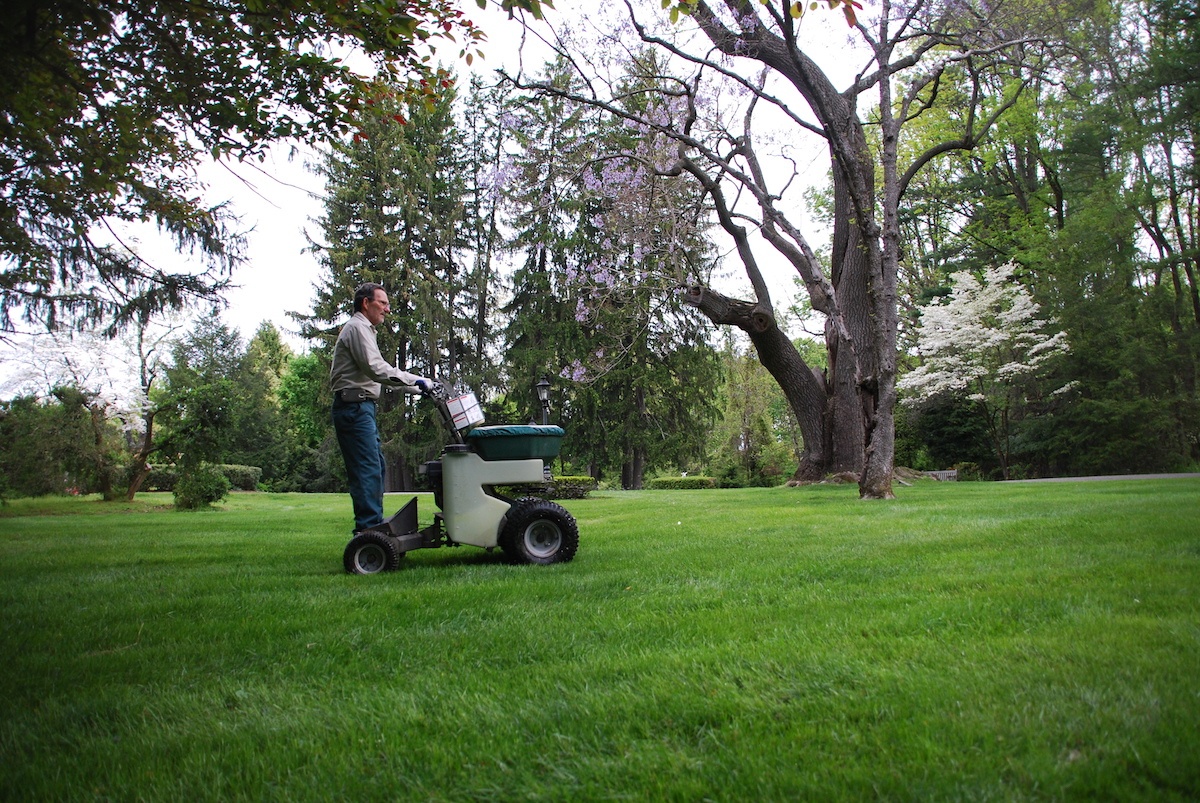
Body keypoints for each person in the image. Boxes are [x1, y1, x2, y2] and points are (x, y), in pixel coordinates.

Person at [330, 282, 434, 533]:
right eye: (383, 303)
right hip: (354, 408)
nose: (388, 309)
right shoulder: (357, 328)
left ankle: (371, 527)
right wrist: (416, 380)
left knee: (375, 467)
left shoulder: (363, 329)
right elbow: (376, 369)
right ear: (366, 303)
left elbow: (378, 374)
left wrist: (418, 387)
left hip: (360, 407)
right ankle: (368, 533)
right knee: (367, 470)